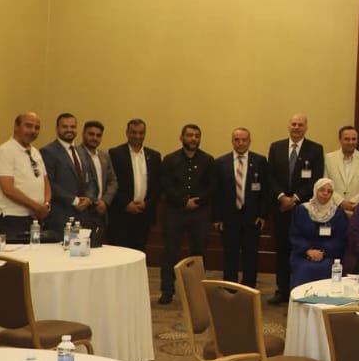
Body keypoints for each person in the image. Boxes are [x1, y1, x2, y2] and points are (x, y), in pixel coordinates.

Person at [267, 114, 325, 305]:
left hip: (304, 209)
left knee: (301, 248)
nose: (296, 127)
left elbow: (316, 178)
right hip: (281, 208)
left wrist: (295, 198)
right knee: (282, 249)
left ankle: (300, 289)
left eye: (300, 124)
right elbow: (270, 176)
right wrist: (281, 197)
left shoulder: (315, 149)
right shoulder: (276, 147)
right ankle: (282, 290)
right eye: (293, 124)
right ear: (288, 126)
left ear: (306, 127)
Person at [161, 124, 214, 305]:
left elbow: (211, 186)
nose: (193, 139)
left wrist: (197, 201)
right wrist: (183, 202)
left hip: (200, 212)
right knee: (170, 251)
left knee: (198, 253)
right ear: (181, 137)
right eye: (190, 135)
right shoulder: (170, 160)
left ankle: (197, 292)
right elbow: (166, 185)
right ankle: (167, 290)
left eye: (197, 136)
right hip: (175, 211)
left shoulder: (208, 160)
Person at [213, 127, 270, 287]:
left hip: (252, 218)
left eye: (244, 140)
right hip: (229, 218)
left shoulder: (260, 161)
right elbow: (216, 193)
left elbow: (266, 190)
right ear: (232, 141)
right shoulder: (220, 162)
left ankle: (248, 287)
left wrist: (263, 215)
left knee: (250, 255)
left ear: (249, 141)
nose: (241, 143)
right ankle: (230, 287)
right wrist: (217, 217)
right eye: (237, 140)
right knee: (229, 255)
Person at [0, 111, 51, 241]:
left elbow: (45, 181)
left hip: (35, 218)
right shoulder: (5, 151)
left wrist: (45, 205)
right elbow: (8, 189)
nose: (33, 131)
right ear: (16, 126)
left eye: (37, 128)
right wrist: (36, 207)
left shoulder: (35, 152)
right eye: (28, 126)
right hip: (12, 220)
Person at [40, 112, 97, 238]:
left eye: (72, 127)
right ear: (57, 129)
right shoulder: (48, 151)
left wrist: (89, 198)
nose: (69, 130)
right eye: (65, 127)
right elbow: (49, 183)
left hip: (84, 215)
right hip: (61, 215)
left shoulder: (81, 151)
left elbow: (91, 179)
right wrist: (74, 200)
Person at [107, 119, 160, 251]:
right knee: (120, 252)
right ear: (127, 133)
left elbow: (157, 185)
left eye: (141, 133)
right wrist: (126, 204)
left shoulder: (154, 156)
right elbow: (112, 182)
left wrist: (146, 203)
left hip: (144, 214)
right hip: (121, 214)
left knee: (139, 251)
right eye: (134, 132)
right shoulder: (115, 154)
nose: (137, 136)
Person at [289, 177, 349, 285]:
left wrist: (323, 252)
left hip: (329, 255)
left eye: (329, 191)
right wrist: (308, 251)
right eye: (322, 190)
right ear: (315, 191)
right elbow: (295, 236)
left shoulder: (338, 213)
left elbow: (339, 239)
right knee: (303, 269)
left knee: (327, 268)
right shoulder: (302, 210)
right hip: (303, 254)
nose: (325, 193)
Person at [77, 121, 116, 245]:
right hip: (83, 211)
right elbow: (78, 182)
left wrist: (105, 201)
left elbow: (113, 181)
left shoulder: (104, 156)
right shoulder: (76, 154)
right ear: (83, 134)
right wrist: (94, 202)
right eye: (91, 134)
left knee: (98, 247)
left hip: (101, 212)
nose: (94, 138)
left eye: (98, 135)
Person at [325, 126, 359, 216]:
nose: (351, 142)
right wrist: (340, 202)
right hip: (333, 209)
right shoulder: (328, 158)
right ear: (340, 140)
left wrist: (352, 203)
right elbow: (325, 184)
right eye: (347, 139)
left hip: (357, 210)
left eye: (354, 139)